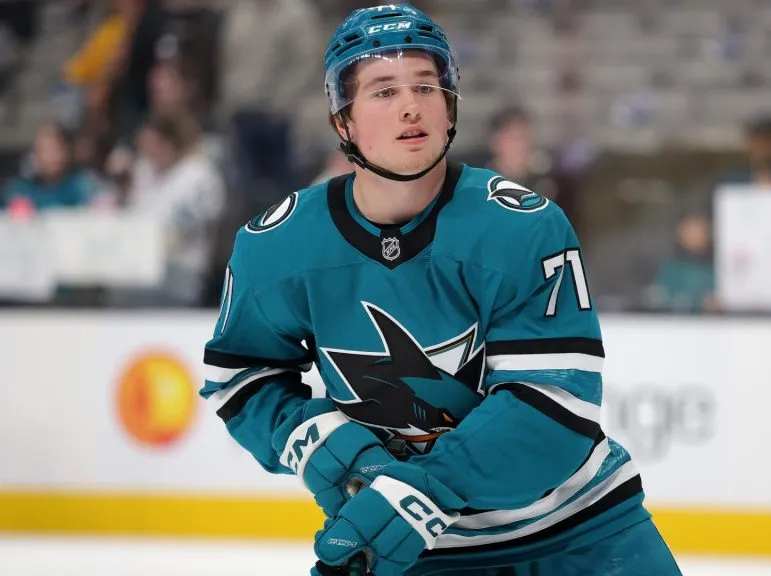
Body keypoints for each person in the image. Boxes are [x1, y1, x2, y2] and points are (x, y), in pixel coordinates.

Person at [199, 4, 681, 576]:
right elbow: (243, 377)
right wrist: (313, 435)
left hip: (578, 533)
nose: (410, 105)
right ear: (341, 122)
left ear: (450, 105)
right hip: (409, 549)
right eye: (382, 90)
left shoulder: (521, 226)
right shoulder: (277, 247)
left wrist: (422, 490)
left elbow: (553, 406)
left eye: (427, 85)